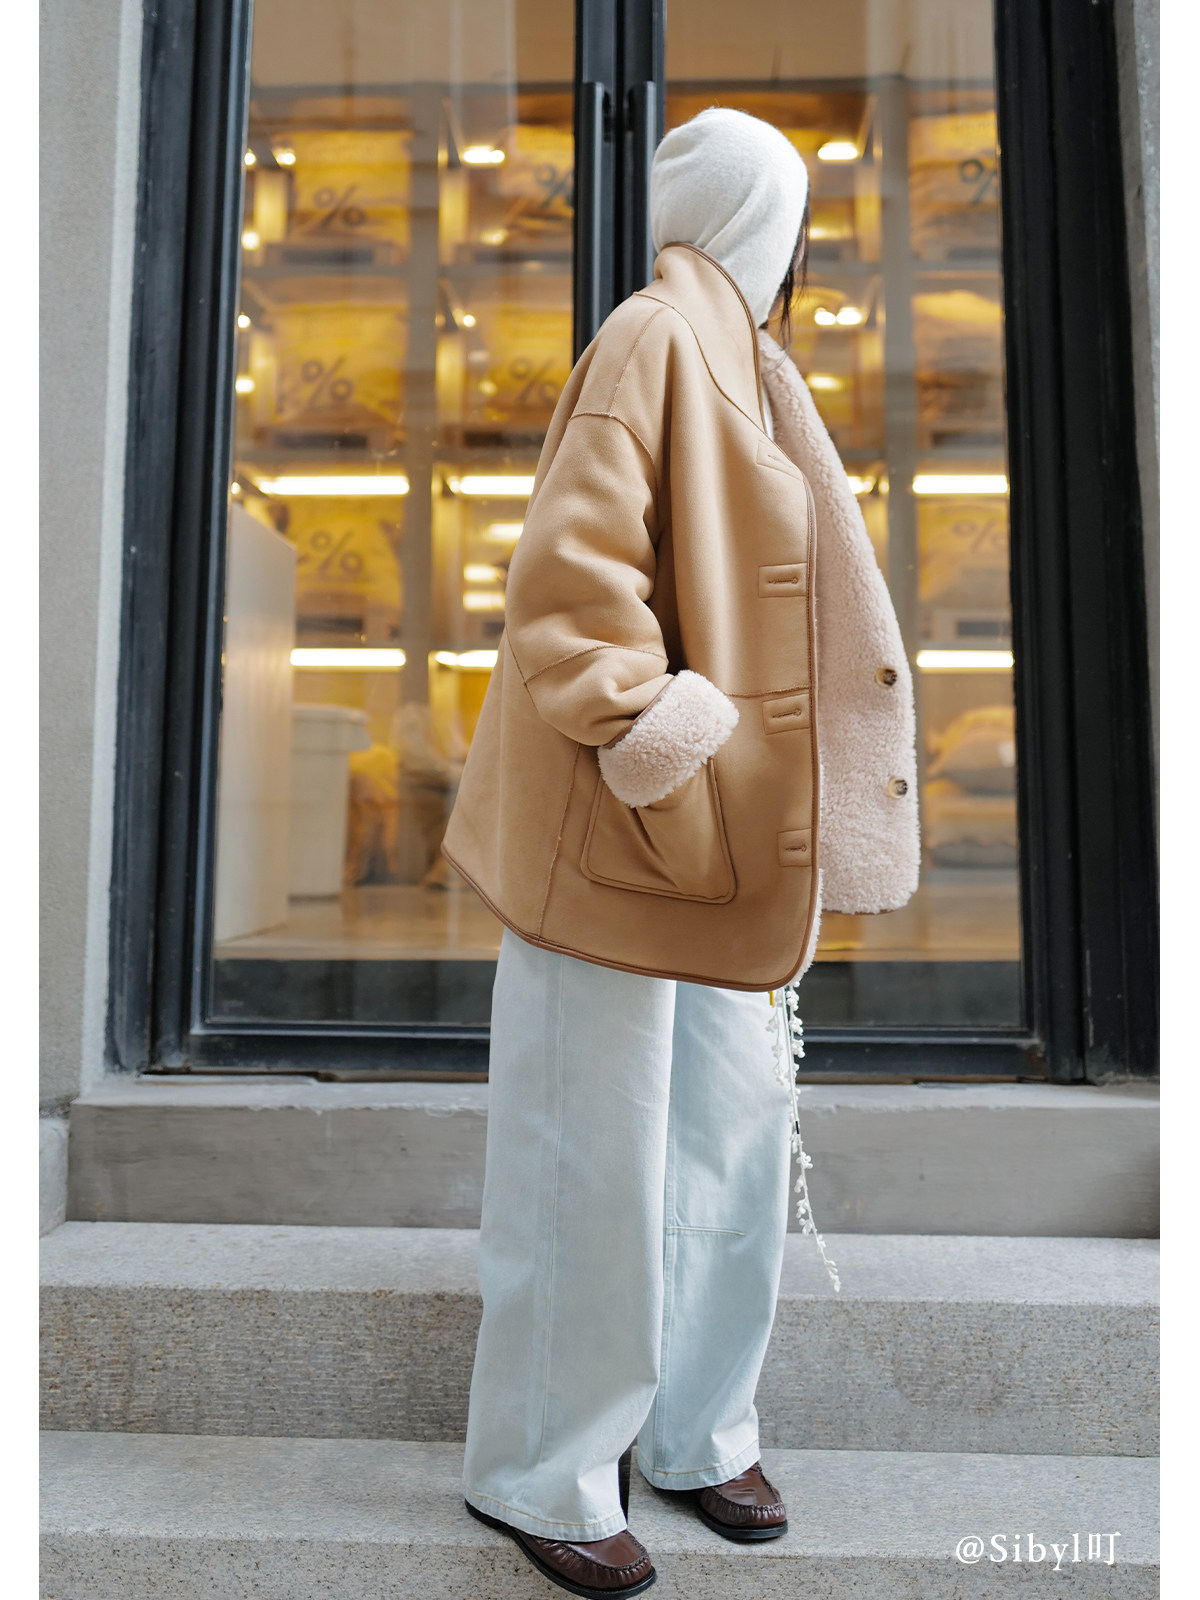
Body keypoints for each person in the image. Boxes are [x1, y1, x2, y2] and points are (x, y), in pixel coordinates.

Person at [442, 107, 919, 1598]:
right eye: (790, 213)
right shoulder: (653, 336)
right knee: (585, 1155)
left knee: (728, 1135)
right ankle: (540, 1469)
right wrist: (660, 737)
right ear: (750, 218)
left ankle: (701, 1433)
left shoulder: (753, 363)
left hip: (725, 833)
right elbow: (569, 590)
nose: (801, 244)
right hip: (628, 821)